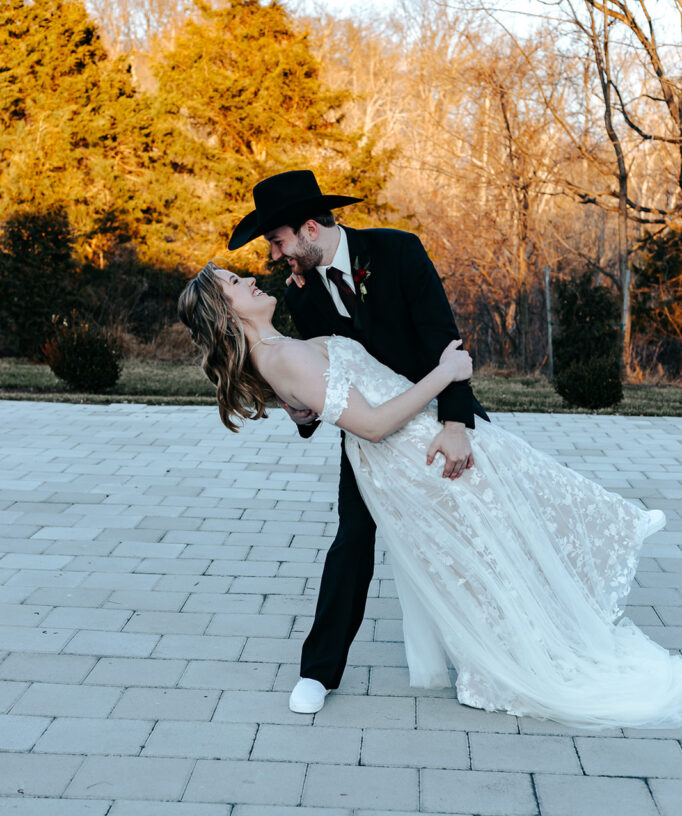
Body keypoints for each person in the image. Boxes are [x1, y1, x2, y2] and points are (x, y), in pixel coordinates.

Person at [178, 261, 682, 729]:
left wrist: (302, 404)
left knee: (497, 531)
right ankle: (536, 647)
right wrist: (445, 374)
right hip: (411, 453)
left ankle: (553, 624)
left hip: (420, 440)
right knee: (490, 540)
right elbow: (372, 425)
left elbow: (326, 390)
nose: (248, 278)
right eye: (232, 282)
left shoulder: (280, 343)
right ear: (223, 311)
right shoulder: (280, 352)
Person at [226, 169, 490, 715]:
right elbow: (323, 384)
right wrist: (301, 414)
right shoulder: (299, 295)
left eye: (277, 242)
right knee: (352, 541)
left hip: (438, 421)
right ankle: (319, 673)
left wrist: (456, 424)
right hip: (370, 440)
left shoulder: (398, 252)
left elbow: (446, 340)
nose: (275, 258)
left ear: (308, 228)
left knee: (473, 534)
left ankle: (492, 654)